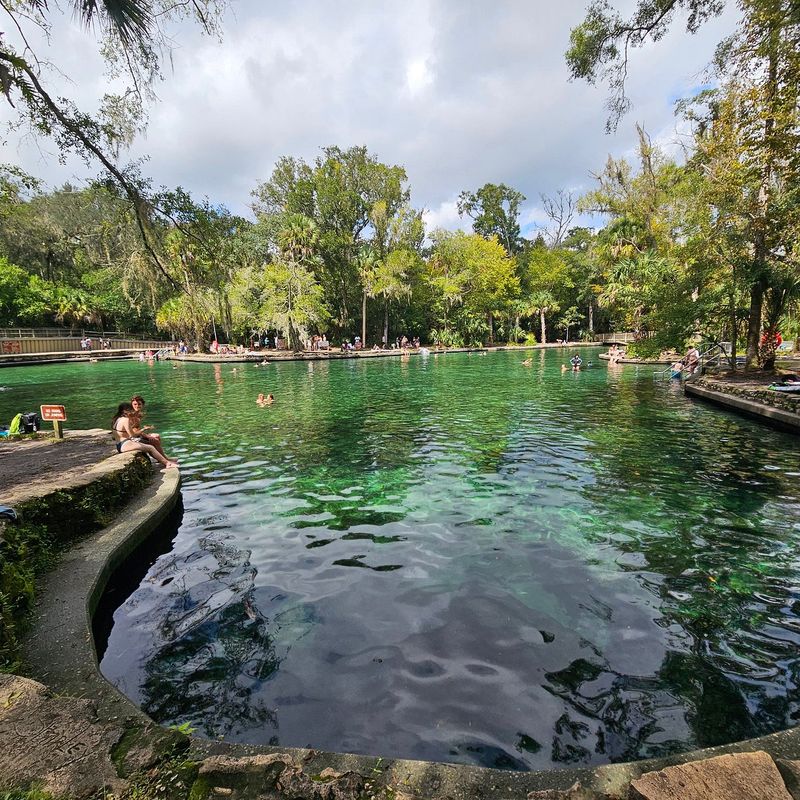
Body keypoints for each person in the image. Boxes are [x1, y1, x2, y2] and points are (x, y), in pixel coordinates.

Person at [112, 403, 177, 468]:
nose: (132, 412)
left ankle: (164, 460)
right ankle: (168, 464)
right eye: (130, 410)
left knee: (150, 446)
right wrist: (143, 429)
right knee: (150, 448)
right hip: (124, 444)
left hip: (119, 444)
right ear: (125, 410)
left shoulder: (117, 419)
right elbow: (133, 435)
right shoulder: (125, 420)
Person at [130, 395, 168, 460]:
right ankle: (164, 459)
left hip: (137, 436)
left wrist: (146, 433)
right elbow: (133, 432)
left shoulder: (139, 414)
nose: (137, 406)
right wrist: (146, 434)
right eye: (135, 404)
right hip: (131, 439)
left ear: (142, 405)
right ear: (131, 405)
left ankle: (162, 457)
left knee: (157, 436)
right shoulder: (131, 416)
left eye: (139, 404)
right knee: (155, 440)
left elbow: (137, 429)